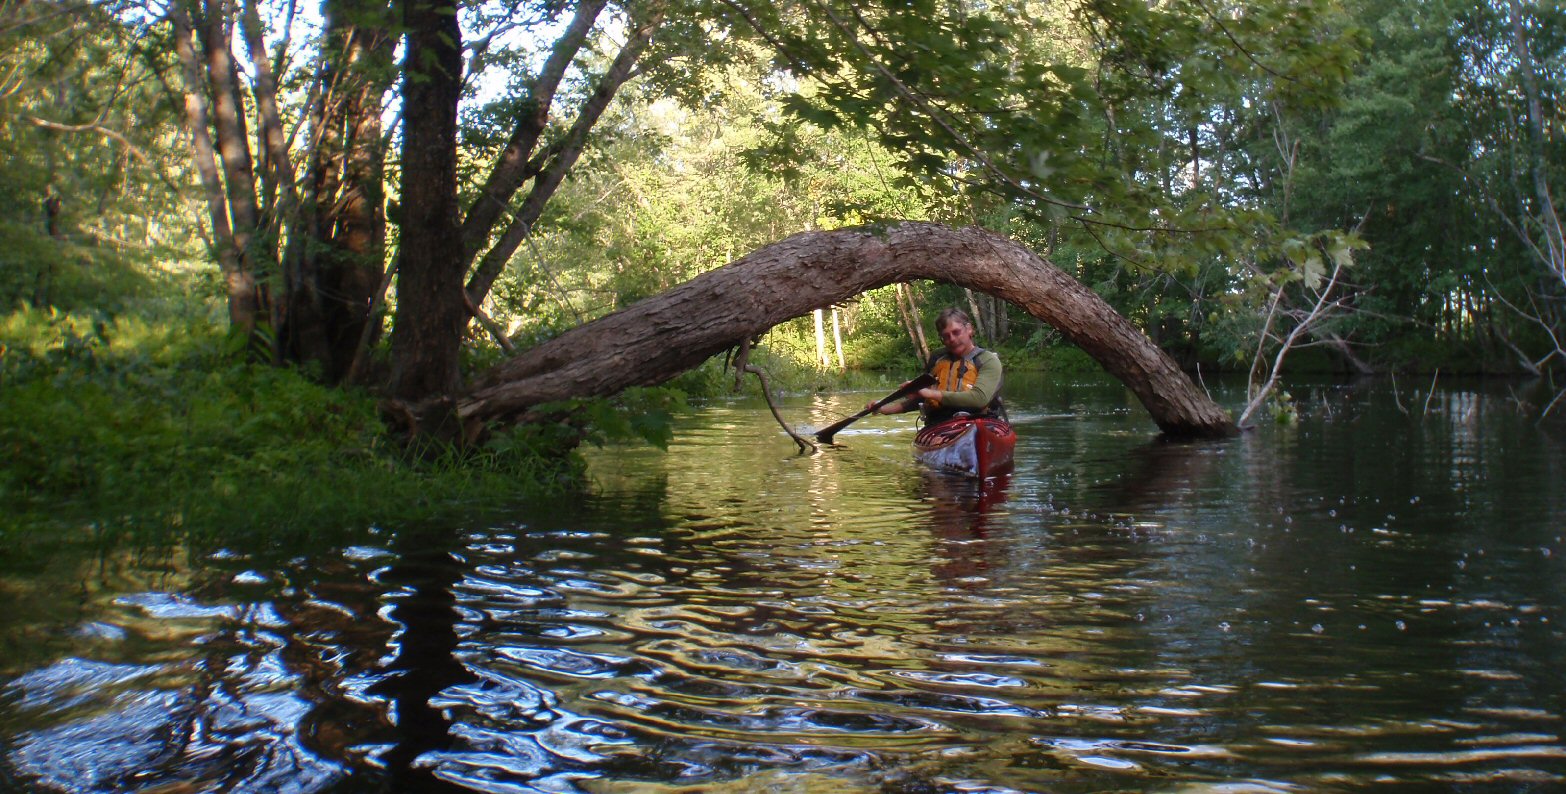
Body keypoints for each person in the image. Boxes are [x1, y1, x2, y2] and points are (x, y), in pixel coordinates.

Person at [873, 307, 1004, 425]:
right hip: (939, 425)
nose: (952, 339)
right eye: (946, 336)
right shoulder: (938, 360)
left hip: (977, 422)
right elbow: (921, 399)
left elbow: (979, 399)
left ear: (969, 329)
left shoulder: (988, 360)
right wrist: (883, 408)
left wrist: (929, 393)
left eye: (956, 332)